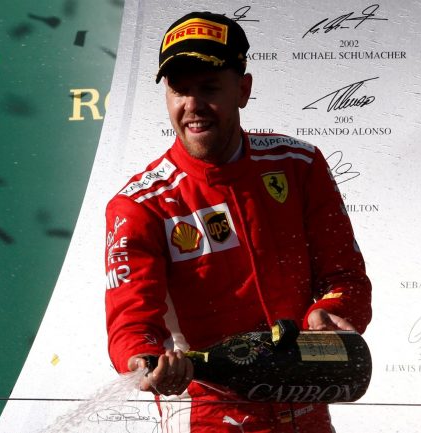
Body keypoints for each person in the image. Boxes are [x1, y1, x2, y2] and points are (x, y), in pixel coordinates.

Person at [104, 11, 372, 433]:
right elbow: (132, 321)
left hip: (305, 410)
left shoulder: (298, 166)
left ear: (243, 90)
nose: (192, 106)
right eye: (179, 90)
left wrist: (331, 311)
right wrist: (144, 361)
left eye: (209, 88)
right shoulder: (141, 205)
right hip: (207, 417)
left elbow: (345, 277)